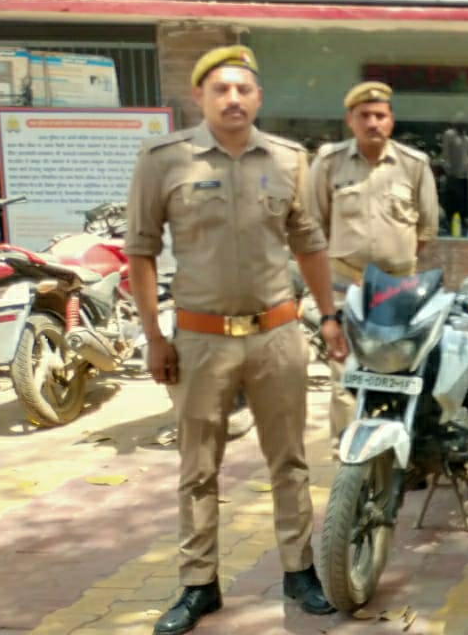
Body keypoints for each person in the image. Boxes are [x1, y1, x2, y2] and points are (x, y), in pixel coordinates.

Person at [123, 45, 349, 634]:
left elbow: (309, 243)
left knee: (290, 461)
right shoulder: (163, 160)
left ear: (258, 98)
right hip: (200, 340)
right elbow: (140, 251)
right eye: (220, 89)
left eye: (243, 89)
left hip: (277, 335)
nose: (232, 99)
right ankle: (199, 583)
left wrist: (328, 315)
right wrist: (153, 337)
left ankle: (299, 571)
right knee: (198, 467)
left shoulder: (289, 159)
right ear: (198, 96)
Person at [309, 81, 439, 441]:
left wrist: (395, 265)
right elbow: (313, 227)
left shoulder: (414, 164)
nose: (373, 123)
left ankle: (395, 447)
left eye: (380, 115)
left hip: (398, 287)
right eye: (364, 115)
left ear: (391, 120)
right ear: (350, 120)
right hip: (344, 286)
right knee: (345, 372)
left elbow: (427, 228)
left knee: (399, 369)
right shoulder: (328, 162)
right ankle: (346, 450)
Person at [440, 122, 468, 234]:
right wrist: (449, 172)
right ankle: (449, 225)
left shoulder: (467, 139)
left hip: (464, 175)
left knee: (462, 202)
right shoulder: (450, 135)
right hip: (453, 175)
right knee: (452, 201)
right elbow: (446, 154)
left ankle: (462, 225)